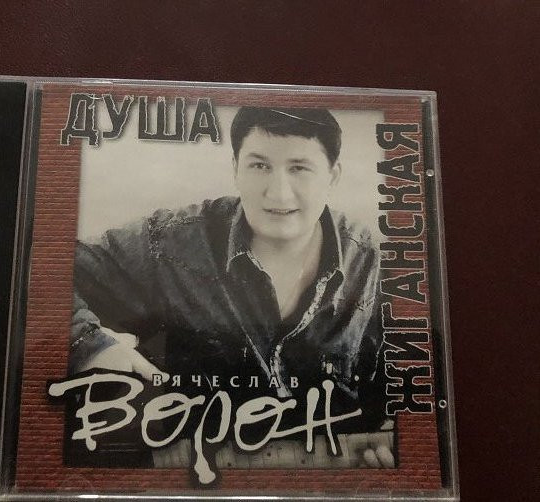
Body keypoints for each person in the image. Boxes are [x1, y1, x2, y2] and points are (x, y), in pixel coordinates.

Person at [69, 106, 392, 468]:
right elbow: (50, 267)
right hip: (192, 478)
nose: (278, 193)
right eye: (259, 166)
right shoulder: (172, 244)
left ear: (332, 176)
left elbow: (408, 394)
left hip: (326, 480)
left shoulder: (374, 266)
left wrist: (397, 457)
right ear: (236, 168)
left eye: (299, 168)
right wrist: (89, 345)